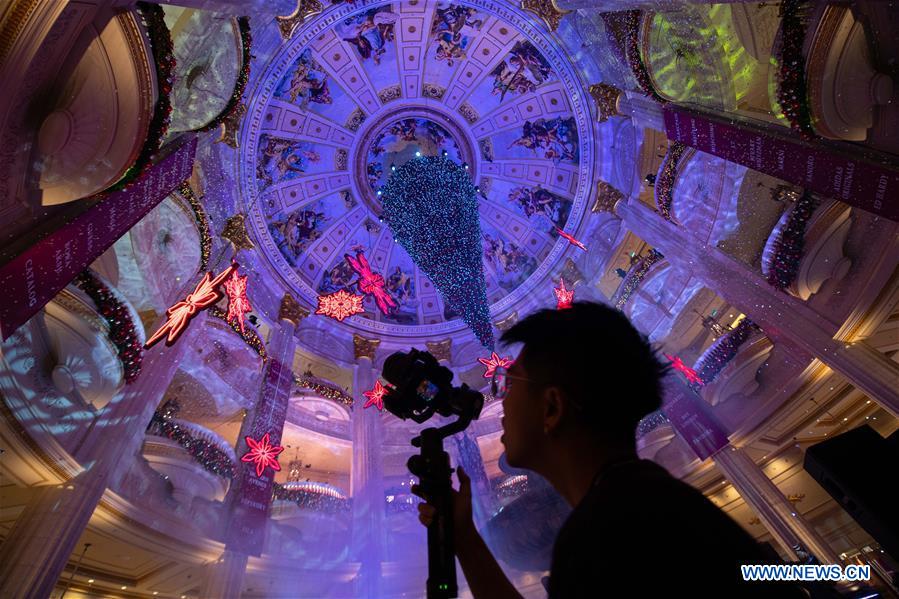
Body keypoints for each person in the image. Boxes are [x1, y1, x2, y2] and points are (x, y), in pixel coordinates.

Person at [414, 302, 808, 598]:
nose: (500, 404)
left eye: (509, 384)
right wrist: (464, 535)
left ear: (552, 408)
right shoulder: (641, 502)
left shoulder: (609, 532)